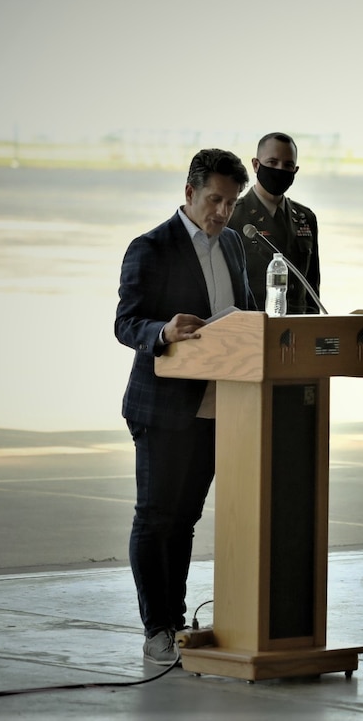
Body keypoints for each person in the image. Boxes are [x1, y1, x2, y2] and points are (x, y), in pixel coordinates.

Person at [115, 148, 256, 664]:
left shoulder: (235, 245)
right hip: (163, 406)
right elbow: (126, 322)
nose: (222, 212)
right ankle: (158, 628)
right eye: (215, 199)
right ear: (190, 193)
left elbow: (240, 316)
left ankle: (176, 622)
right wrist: (164, 332)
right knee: (156, 518)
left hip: (221, 405)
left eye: (231, 202)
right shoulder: (150, 247)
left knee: (185, 521)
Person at [227, 131, 320, 314]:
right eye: (272, 162)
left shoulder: (305, 218)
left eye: (288, 165)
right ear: (255, 164)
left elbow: (312, 287)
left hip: (298, 328)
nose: (280, 170)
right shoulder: (233, 216)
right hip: (252, 328)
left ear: (295, 170)